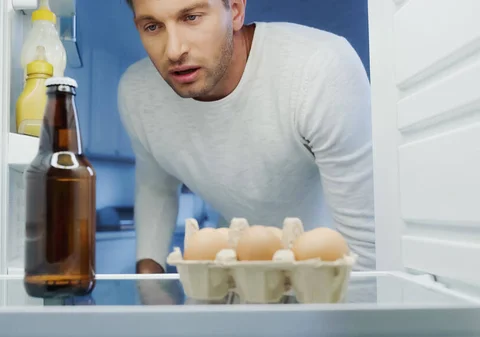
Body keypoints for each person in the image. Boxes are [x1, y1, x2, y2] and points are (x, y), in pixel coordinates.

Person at [118, 0, 375, 274]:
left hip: (329, 272)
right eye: (153, 26)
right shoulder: (138, 93)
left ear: (236, 10)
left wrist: (353, 313)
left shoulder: (318, 69)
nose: (174, 50)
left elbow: (366, 249)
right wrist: (149, 284)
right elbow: (156, 187)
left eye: (192, 17)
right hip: (239, 270)